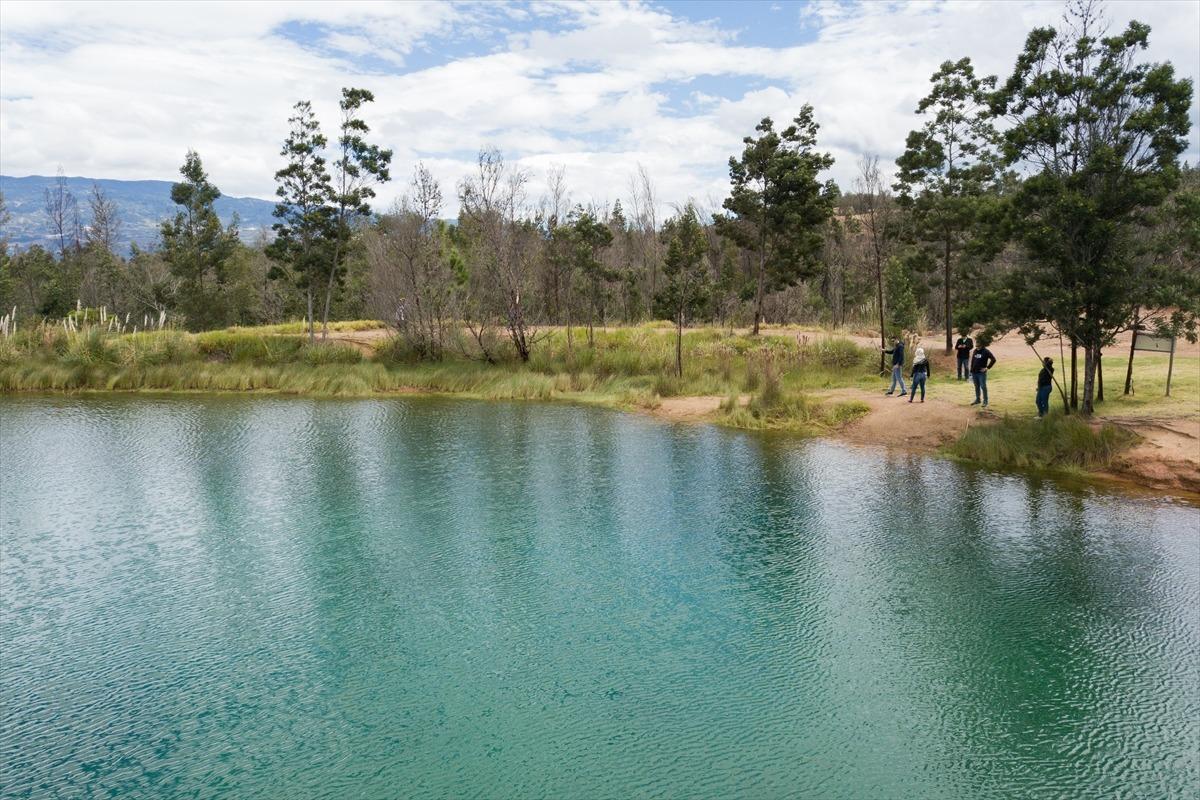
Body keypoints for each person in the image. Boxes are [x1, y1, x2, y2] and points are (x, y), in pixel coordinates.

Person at [969, 340, 996, 407]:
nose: (977, 344)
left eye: (978, 343)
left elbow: (993, 359)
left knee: (983, 386)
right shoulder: (975, 350)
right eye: (976, 343)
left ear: (981, 344)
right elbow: (973, 361)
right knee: (976, 386)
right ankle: (978, 400)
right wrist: (971, 370)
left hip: (981, 373)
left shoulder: (986, 351)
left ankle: (985, 401)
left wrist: (987, 368)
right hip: (974, 372)